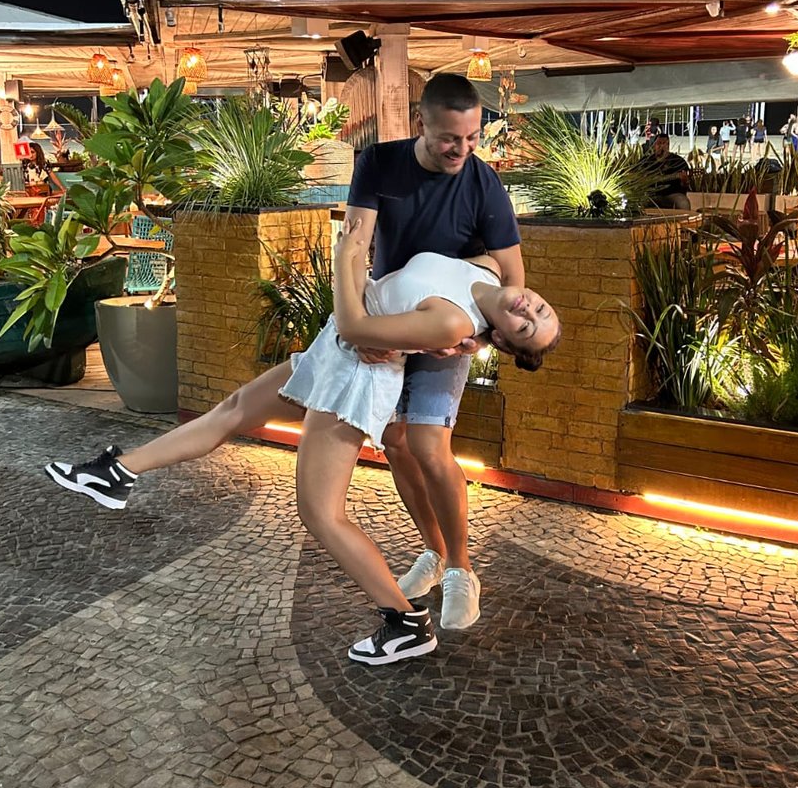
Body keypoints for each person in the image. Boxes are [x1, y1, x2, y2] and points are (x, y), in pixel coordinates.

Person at [45, 222, 561, 666]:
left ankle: (405, 623)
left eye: (526, 326)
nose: (529, 310)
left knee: (320, 513)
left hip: (353, 377)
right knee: (234, 410)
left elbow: (360, 325)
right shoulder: (486, 271)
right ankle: (116, 474)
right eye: (539, 309)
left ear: (507, 340)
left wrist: (346, 258)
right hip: (334, 354)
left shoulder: (453, 321)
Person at [341, 73, 527, 631]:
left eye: (472, 137)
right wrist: (362, 326)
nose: (462, 150)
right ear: (422, 123)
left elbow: (514, 281)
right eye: (451, 138)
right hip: (392, 320)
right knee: (395, 442)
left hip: (452, 328)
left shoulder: (484, 183)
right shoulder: (378, 163)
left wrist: (484, 338)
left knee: (427, 443)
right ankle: (434, 551)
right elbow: (355, 246)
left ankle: (462, 570)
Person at [641, 133, 691, 209]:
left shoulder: (678, 161)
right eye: (659, 143)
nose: (661, 146)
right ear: (654, 146)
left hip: (672, 194)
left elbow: (685, 184)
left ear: (668, 146)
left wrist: (685, 181)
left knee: (683, 203)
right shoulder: (646, 161)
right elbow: (637, 174)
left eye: (664, 143)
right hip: (651, 195)